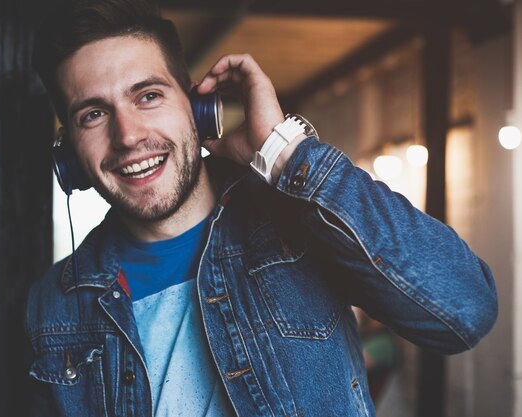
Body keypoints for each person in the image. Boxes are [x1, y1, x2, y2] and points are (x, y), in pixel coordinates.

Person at [25, 1, 498, 415]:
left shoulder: (296, 221)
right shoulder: (55, 305)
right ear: (69, 154)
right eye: (93, 114)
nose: (127, 136)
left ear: (197, 106)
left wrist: (284, 152)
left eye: (148, 96)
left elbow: (465, 311)